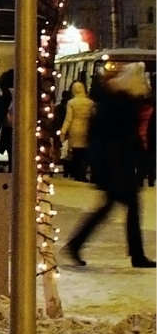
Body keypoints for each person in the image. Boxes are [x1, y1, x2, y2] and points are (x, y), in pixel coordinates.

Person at [64, 63, 155, 268]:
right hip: (115, 164)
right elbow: (122, 132)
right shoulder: (120, 100)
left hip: (110, 162)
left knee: (112, 206)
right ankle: (136, 255)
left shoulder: (108, 99)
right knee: (124, 205)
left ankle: (77, 244)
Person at [59, 80, 94, 182]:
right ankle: (82, 173)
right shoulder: (90, 103)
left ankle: (76, 173)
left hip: (75, 129)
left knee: (76, 153)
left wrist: (63, 131)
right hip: (86, 129)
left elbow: (68, 119)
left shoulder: (71, 103)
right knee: (84, 154)